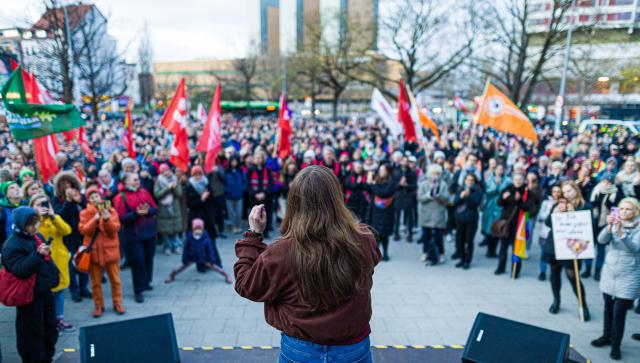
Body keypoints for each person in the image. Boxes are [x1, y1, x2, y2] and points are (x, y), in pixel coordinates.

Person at [234, 166, 380, 363]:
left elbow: (246, 285)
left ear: (294, 203)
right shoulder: (364, 239)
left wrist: (254, 236)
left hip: (301, 350)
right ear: (337, 198)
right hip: (353, 348)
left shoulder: (281, 253)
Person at [2, 207, 60, 363]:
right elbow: (20, 271)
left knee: (50, 330)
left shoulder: (36, 236)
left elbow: (46, 262)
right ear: (21, 224)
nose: (35, 227)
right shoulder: (11, 245)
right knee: (32, 336)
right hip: (28, 297)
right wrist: (38, 255)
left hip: (44, 291)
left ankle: (47, 357)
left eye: (36, 222)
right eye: (31, 224)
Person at [591, 198, 640, 360]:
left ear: (636, 211)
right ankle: (606, 336)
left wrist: (622, 234)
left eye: (628, 209)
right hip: (610, 271)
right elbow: (601, 240)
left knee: (619, 312)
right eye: (622, 209)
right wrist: (609, 226)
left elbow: (635, 249)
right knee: (608, 307)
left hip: (629, 274)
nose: (624, 212)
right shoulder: (616, 222)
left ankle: (616, 345)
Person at [544, 181, 591, 321]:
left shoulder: (584, 205)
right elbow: (547, 223)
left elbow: (589, 227)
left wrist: (573, 214)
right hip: (555, 244)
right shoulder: (558, 204)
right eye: (564, 192)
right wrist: (555, 213)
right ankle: (556, 300)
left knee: (572, 275)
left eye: (570, 191)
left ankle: (583, 305)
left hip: (573, 247)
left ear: (576, 190)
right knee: (554, 272)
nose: (567, 194)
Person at [29, 194, 75, 334]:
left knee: (60, 292)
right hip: (44, 264)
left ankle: (59, 319)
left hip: (59, 261)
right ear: (31, 207)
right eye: (38, 204)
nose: (42, 207)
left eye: (45, 203)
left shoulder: (55, 218)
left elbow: (67, 230)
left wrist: (54, 217)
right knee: (47, 296)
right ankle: (50, 323)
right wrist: (40, 218)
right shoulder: (32, 222)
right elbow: (35, 235)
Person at [78, 186, 125, 318]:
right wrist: (95, 219)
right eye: (92, 197)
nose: (95, 199)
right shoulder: (84, 213)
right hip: (93, 253)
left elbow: (115, 229)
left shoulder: (111, 210)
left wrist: (106, 219)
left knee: (115, 280)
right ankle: (98, 305)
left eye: (97, 196)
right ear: (88, 200)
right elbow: (85, 231)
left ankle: (118, 303)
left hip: (110, 251)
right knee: (95, 282)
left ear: (101, 197)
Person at [113, 172, 158, 303]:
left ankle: (146, 282)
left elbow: (155, 208)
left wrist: (148, 211)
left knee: (149, 258)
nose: (138, 181)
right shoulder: (120, 197)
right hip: (134, 235)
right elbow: (121, 218)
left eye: (138, 179)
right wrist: (136, 214)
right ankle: (138, 290)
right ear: (126, 182)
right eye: (134, 180)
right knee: (138, 261)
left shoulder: (144, 192)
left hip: (149, 232)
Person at [53, 172, 89, 302]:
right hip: (67, 238)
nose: (67, 186)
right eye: (63, 184)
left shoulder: (81, 196)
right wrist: (68, 202)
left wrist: (80, 201)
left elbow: (88, 210)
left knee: (84, 261)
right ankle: (74, 290)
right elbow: (59, 216)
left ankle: (84, 287)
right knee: (71, 265)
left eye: (69, 183)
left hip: (82, 235)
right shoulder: (57, 200)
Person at [164, 218, 231, 284]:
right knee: (180, 267)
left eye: (200, 228)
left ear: (202, 228)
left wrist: (212, 259)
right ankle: (171, 275)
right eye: (196, 228)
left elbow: (210, 249)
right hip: (191, 257)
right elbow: (186, 249)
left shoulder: (205, 236)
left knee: (215, 267)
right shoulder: (190, 236)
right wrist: (184, 258)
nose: (198, 231)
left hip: (203, 257)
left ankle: (226, 275)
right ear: (193, 228)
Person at [586, 174, 622, 281]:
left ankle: (598, 270)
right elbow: (589, 203)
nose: (606, 184)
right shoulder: (596, 190)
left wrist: (612, 225)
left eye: (608, 182)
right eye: (604, 181)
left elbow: (616, 210)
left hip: (605, 224)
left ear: (612, 183)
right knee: (590, 247)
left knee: (601, 248)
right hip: (592, 223)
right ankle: (587, 269)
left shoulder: (616, 194)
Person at [417, 164, 450, 265]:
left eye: (438, 174)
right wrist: (428, 196)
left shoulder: (443, 184)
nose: (435, 176)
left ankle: (441, 253)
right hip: (426, 214)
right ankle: (425, 252)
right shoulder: (424, 184)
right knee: (426, 235)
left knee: (439, 236)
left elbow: (446, 199)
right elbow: (420, 198)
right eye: (434, 173)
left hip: (438, 214)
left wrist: (438, 196)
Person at [452, 174, 483, 269]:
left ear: (474, 182)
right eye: (468, 180)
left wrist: (468, 196)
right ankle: (462, 258)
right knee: (459, 239)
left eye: (472, 180)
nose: (469, 182)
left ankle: (467, 260)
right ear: (465, 181)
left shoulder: (478, 191)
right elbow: (455, 202)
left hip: (471, 219)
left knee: (469, 241)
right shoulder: (460, 189)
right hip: (460, 218)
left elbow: (475, 204)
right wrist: (461, 197)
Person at [369, 164, 398, 261]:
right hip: (376, 210)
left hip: (387, 210)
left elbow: (384, 193)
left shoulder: (392, 182)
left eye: (383, 170)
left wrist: (373, 185)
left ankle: (385, 252)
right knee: (376, 233)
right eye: (380, 170)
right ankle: (376, 253)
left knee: (384, 233)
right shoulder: (376, 180)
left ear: (388, 171)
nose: (380, 171)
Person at [481, 163, 510, 258]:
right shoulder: (488, 180)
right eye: (498, 169)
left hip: (501, 207)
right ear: (494, 170)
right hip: (490, 206)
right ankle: (489, 250)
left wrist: (500, 187)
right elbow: (488, 192)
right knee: (489, 228)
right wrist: (496, 186)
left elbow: (507, 193)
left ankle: (494, 250)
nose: (499, 171)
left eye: (501, 169)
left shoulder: (508, 181)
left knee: (498, 228)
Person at [154, 164, 184, 255]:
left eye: (167, 170)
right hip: (164, 209)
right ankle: (167, 247)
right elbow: (157, 194)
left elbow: (179, 194)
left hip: (174, 207)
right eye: (163, 171)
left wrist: (174, 188)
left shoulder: (175, 179)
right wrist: (167, 188)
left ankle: (176, 246)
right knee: (165, 230)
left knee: (175, 228)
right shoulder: (158, 181)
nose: (166, 173)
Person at [536, 184, 562, 281]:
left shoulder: (563, 203)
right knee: (543, 253)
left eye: (558, 191)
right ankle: (542, 271)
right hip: (545, 232)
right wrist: (552, 212)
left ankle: (553, 273)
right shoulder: (546, 203)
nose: (556, 194)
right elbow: (541, 216)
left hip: (558, 233)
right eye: (554, 191)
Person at [393, 155, 418, 242]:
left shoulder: (412, 172)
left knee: (409, 216)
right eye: (403, 160)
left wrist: (407, 185)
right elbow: (393, 186)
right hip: (399, 196)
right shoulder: (396, 172)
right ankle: (396, 233)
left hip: (408, 196)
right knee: (397, 215)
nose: (404, 162)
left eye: (406, 161)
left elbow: (414, 185)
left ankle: (410, 234)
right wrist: (400, 184)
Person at [224, 157, 247, 234]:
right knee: (231, 212)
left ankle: (238, 226)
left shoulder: (240, 171)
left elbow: (244, 181)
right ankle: (233, 226)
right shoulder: (226, 172)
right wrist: (227, 190)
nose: (234, 163)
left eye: (235, 161)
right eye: (232, 161)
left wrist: (241, 189)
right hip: (229, 196)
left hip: (239, 195)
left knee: (239, 212)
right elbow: (223, 183)